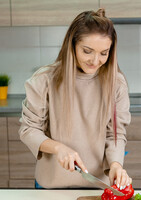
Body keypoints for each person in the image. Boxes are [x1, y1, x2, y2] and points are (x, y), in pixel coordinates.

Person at [19, 8, 132, 190]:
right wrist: (58, 148)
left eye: (104, 53)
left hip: (98, 186)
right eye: (87, 51)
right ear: (72, 45)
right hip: (50, 186)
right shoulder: (44, 80)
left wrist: (116, 165)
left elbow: (115, 134)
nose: (95, 60)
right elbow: (29, 129)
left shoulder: (116, 83)